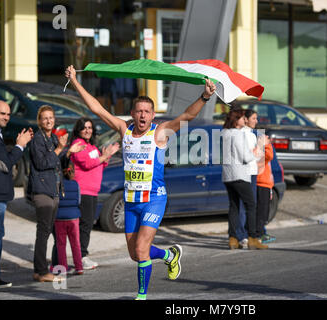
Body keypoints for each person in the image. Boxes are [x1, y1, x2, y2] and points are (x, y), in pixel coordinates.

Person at [65, 64, 216, 300]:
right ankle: (169, 256)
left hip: (154, 199)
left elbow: (187, 116)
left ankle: (142, 296)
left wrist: (205, 96)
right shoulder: (124, 129)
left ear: (153, 115)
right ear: (132, 114)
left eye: (147, 111)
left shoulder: (159, 132)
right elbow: (97, 109)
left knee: (141, 249)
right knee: (136, 254)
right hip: (131, 200)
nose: (143, 115)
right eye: (139, 111)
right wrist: (75, 81)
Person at [28, 105, 84, 282]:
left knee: (48, 231)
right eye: (44, 118)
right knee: (43, 231)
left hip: (54, 190)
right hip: (42, 191)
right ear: (39, 121)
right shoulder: (37, 139)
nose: (48, 120)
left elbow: (58, 163)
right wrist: (61, 149)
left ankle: (44, 269)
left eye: (51, 117)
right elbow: (42, 163)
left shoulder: (53, 138)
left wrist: (68, 152)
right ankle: (42, 272)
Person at [0, 100, 33, 289]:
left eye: (8, 114)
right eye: (2, 114)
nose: (7, 117)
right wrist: (20, 146)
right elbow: (5, 164)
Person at [69, 117, 119, 270]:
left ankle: (81, 255)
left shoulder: (91, 147)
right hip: (82, 190)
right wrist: (103, 156)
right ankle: (82, 256)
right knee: (84, 224)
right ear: (78, 130)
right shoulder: (78, 145)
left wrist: (106, 156)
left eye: (90, 127)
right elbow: (87, 163)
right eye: (84, 127)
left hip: (92, 191)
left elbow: (98, 166)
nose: (87, 130)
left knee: (87, 223)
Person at [222, 109, 267, 250]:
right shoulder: (238, 135)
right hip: (240, 174)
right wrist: (259, 147)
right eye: (242, 118)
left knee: (234, 206)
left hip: (227, 175)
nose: (244, 120)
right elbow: (246, 157)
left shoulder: (224, 133)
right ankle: (252, 238)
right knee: (251, 205)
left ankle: (233, 238)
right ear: (236, 121)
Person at [53, 161, 84, 276]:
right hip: (74, 217)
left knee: (61, 244)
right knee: (75, 243)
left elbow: (55, 200)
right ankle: (79, 267)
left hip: (59, 218)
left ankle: (63, 268)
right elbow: (79, 200)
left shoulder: (57, 184)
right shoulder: (76, 184)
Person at [235, 109, 258, 245]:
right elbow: (246, 156)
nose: (256, 121)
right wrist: (259, 147)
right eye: (253, 118)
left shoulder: (252, 135)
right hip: (245, 172)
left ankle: (248, 233)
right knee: (243, 205)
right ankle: (240, 234)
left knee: (250, 205)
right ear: (246, 119)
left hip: (252, 172)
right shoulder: (243, 134)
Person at [256, 134, 276, 244]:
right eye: (266, 137)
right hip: (261, 184)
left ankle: (261, 232)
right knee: (261, 212)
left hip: (267, 185)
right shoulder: (260, 152)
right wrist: (266, 145)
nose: (268, 138)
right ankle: (258, 234)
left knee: (264, 212)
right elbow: (269, 156)